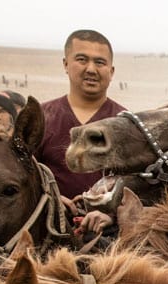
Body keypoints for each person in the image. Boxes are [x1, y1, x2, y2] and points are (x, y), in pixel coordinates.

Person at [36, 29, 126, 200]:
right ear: (65, 64)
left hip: (107, 225)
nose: (91, 69)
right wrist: (51, 199)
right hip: (48, 222)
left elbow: (135, 184)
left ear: (111, 71)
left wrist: (108, 212)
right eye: (82, 60)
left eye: (100, 62)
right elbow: (22, 174)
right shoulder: (42, 117)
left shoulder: (125, 121)